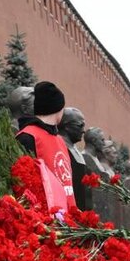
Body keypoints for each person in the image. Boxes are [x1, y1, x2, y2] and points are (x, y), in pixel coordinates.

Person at [16, 81, 76, 209]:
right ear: (57, 108)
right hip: (45, 217)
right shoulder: (27, 137)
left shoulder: (59, 140)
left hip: (67, 216)